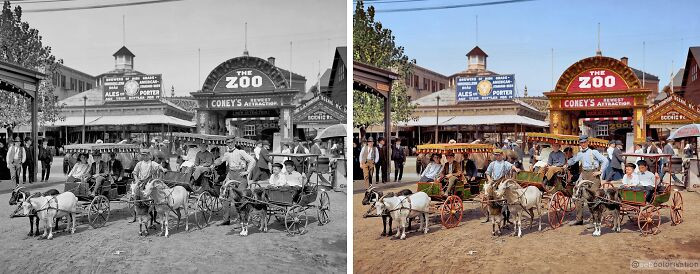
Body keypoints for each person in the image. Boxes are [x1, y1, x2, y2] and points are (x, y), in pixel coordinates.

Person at [566, 135, 609, 226]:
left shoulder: (594, 152)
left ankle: (594, 220)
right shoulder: (580, 154)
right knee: (579, 196)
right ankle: (579, 219)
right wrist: (565, 162)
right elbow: (572, 161)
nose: (583, 144)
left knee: (593, 198)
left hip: (593, 175)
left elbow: (605, 161)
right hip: (584, 175)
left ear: (588, 142)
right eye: (581, 143)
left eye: (585, 142)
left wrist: (600, 171)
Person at [216, 138, 256, 226]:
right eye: (228, 143)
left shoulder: (240, 152)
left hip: (241, 176)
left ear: (234, 143)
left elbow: (252, 160)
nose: (230, 144)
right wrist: (213, 164)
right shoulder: (226, 154)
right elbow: (221, 161)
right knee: (226, 197)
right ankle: (226, 220)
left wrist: (247, 171)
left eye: (231, 142)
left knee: (239, 198)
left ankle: (241, 220)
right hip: (231, 175)